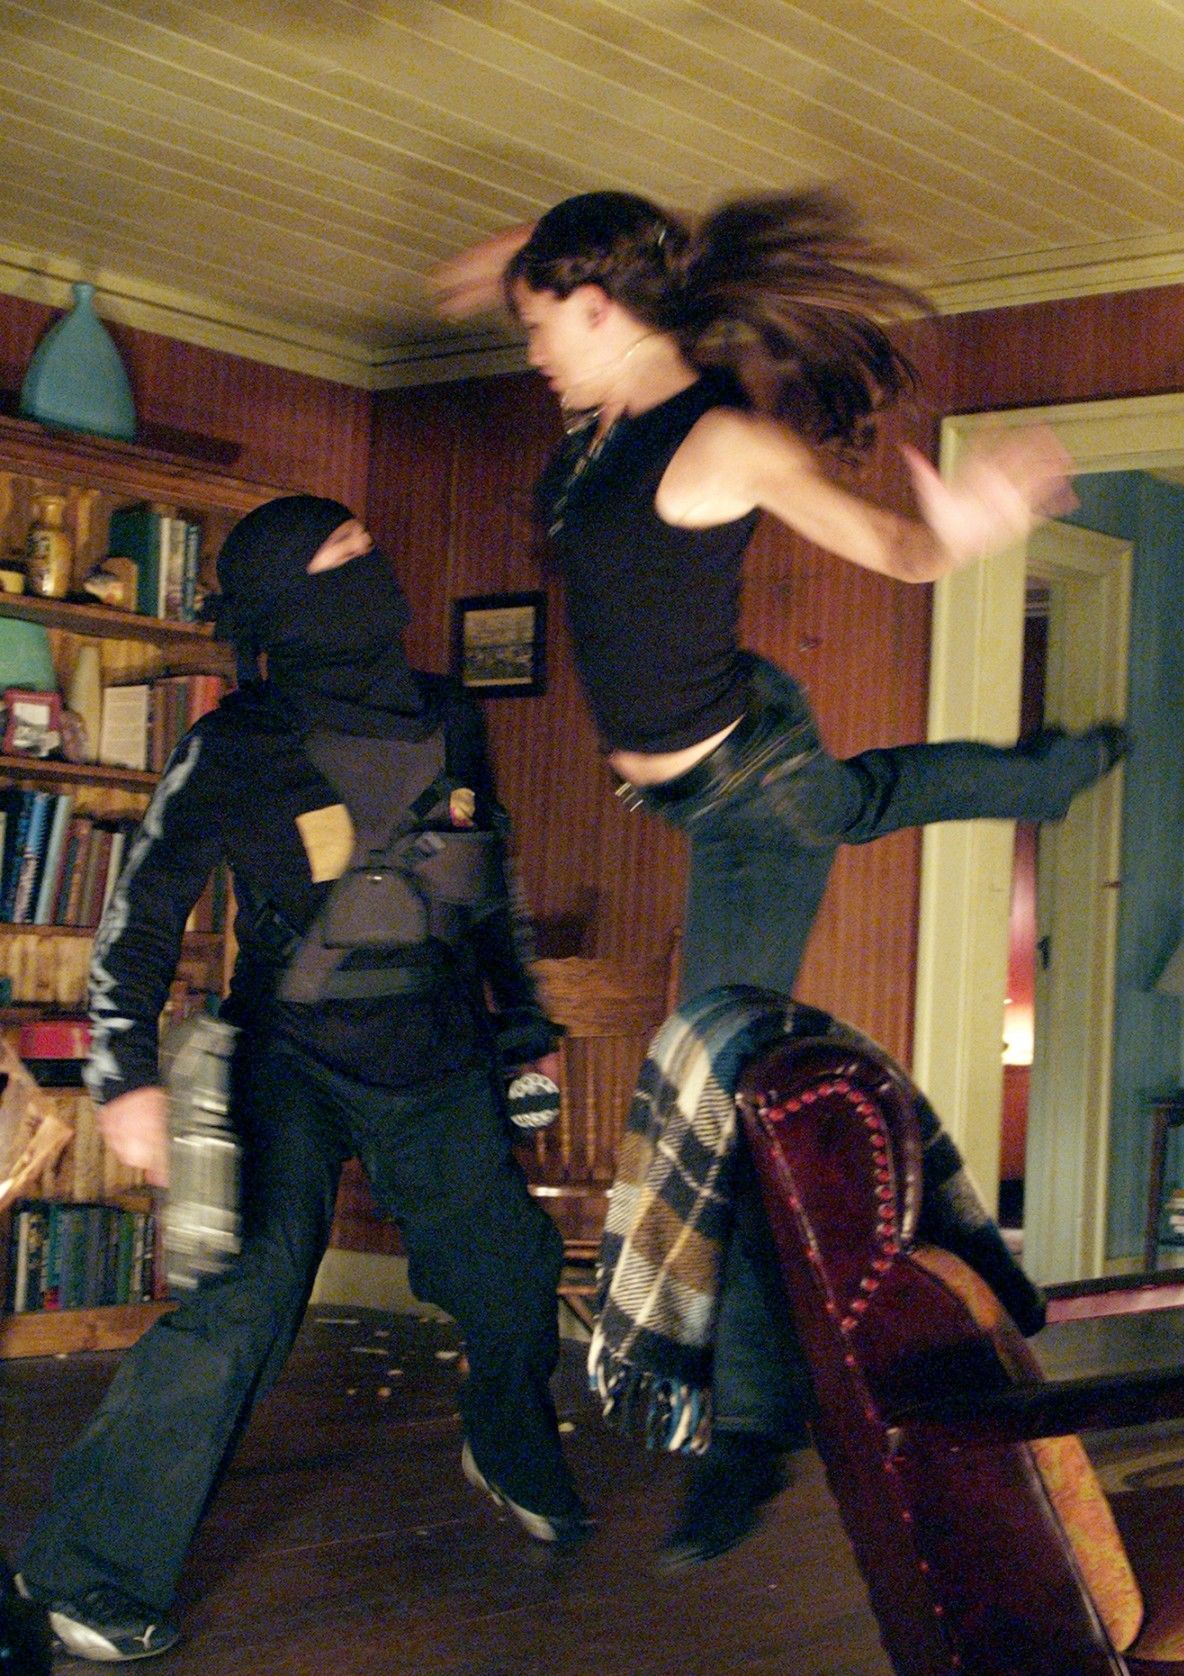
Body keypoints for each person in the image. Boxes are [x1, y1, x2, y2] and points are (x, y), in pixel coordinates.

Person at [430, 187, 1122, 1568]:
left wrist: (971, 521)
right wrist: (517, 263)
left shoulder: (722, 441)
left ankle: (752, 1430)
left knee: (731, 1086)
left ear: (601, 309)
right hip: (718, 763)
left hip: (745, 792)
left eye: (542, 326)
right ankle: (1040, 779)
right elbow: (580, 312)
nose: (532, 353)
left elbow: (905, 553)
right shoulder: (603, 424)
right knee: (849, 801)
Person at [12, 497, 588, 1664]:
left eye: (369, 543)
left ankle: (507, 1441)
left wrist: (524, 1020)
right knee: (244, 1301)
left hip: (436, 1052)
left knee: (511, 1275)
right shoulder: (235, 741)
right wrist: (124, 1074)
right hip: (287, 1056)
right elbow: (141, 913)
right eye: (343, 551)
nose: (373, 562)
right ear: (289, 598)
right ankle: (84, 1570)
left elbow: (490, 883)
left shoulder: (448, 713)